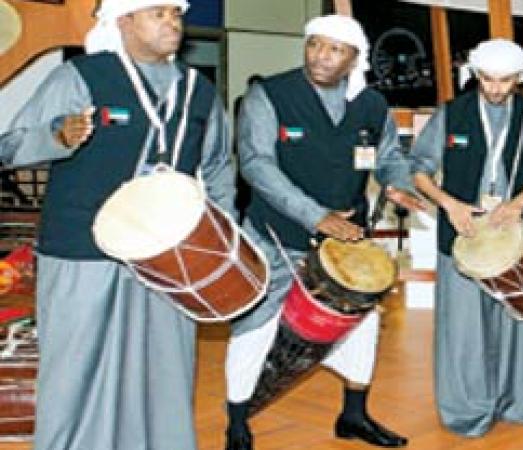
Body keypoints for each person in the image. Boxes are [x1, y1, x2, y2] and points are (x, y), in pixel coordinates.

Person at [0, 1, 235, 448]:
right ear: (124, 20)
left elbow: (218, 167)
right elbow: (10, 146)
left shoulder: (199, 90)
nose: (172, 22)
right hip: (82, 250)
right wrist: (56, 136)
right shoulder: (81, 77)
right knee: (74, 369)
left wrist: (221, 241)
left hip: (171, 257)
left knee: (163, 370)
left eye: (176, 14)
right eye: (158, 13)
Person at [224, 14, 423, 450]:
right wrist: (315, 216)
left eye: (334, 49)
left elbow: (389, 155)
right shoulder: (269, 95)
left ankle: (354, 415)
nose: (320, 56)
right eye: (314, 44)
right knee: (255, 322)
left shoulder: (371, 104)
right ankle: (237, 422)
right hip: (276, 233)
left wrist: (398, 184)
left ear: (354, 58)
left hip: (346, 237)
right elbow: (256, 164)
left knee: (361, 324)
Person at [410, 39, 523, 437]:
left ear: (518, 78)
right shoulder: (451, 113)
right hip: (462, 232)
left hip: (515, 232)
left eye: (505, 80)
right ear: (476, 75)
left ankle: (517, 403)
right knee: (463, 328)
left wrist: (520, 202)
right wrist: (449, 204)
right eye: (488, 79)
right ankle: (466, 411)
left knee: (519, 320)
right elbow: (420, 167)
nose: (495, 88)